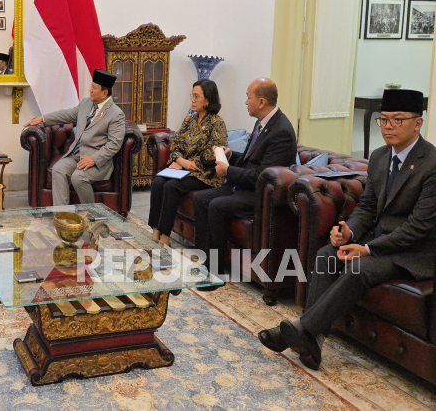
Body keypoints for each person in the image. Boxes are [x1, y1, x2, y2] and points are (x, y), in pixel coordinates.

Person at [258, 89, 436, 370]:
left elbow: (418, 227)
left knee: (358, 268)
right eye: (384, 120)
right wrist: (348, 234)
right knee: (328, 254)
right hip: (377, 241)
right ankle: (312, 343)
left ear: (418, 122)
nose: (388, 127)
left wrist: (366, 248)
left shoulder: (431, 164)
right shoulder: (379, 156)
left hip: (414, 251)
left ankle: (300, 329)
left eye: (398, 120)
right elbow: (366, 206)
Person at [192, 78, 297, 277]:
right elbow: (253, 160)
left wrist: (228, 171)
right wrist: (232, 156)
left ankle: (215, 272)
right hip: (244, 187)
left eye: (249, 98)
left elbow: (263, 176)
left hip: (261, 196)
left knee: (216, 206)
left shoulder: (281, 131)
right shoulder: (262, 123)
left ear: (262, 102)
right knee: (200, 199)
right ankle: (204, 259)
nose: (246, 102)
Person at [24, 69, 126, 206]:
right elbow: (66, 114)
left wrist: (94, 159)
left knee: (78, 177)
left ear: (104, 93)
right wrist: (42, 118)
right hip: (76, 155)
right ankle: (62, 216)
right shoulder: (86, 104)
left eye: (94, 88)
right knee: (58, 169)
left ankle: (91, 213)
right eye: (91, 86)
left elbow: (114, 144)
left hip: (97, 161)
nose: (90, 90)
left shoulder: (116, 114)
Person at [148, 80, 227, 245]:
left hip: (205, 174)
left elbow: (212, 154)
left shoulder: (217, 123)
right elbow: (175, 145)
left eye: (197, 96)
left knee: (171, 186)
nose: (193, 100)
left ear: (208, 100)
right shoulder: (189, 120)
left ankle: (165, 238)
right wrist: (180, 160)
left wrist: (186, 163)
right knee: (158, 182)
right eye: (192, 96)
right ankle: (155, 231)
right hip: (185, 169)